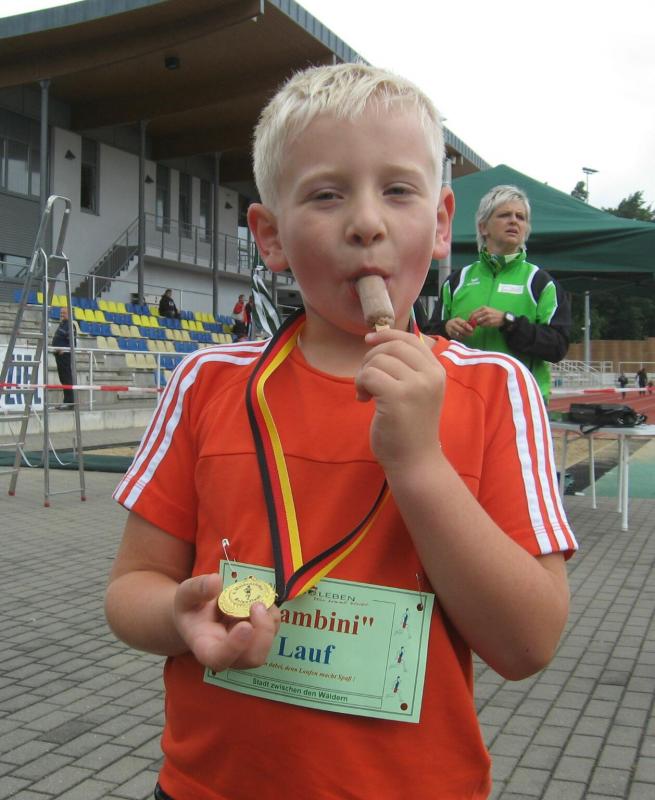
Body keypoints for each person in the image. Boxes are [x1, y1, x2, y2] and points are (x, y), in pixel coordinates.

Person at [106, 64, 577, 800]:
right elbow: (131, 588)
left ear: (442, 223)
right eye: (326, 195)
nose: (366, 222)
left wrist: (419, 463)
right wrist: (176, 615)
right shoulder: (206, 382)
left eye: (398, 190)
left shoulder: (496, 388)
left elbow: (527, 644)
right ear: (270, 236)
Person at [425, 185, 571, 402]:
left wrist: (508, 322)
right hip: (463, 398)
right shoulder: (456, 281)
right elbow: (429, 337)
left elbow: (557, 347)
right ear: (483, 227)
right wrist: (447, 328)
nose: (514, 221)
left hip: (519, 400)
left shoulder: (541, 283)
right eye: (505, 215)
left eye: (521, 217)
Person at [51, 306, 78, 409]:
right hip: (59, 356)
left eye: (64, 313)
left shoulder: (70, 325)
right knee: (63, 379)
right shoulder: (62, 324)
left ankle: (70, 403)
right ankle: (66, 401)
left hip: (65, 356)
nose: (61, 315)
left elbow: (72, 344)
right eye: (61, 313)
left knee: (67, 379)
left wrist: (64, 349)